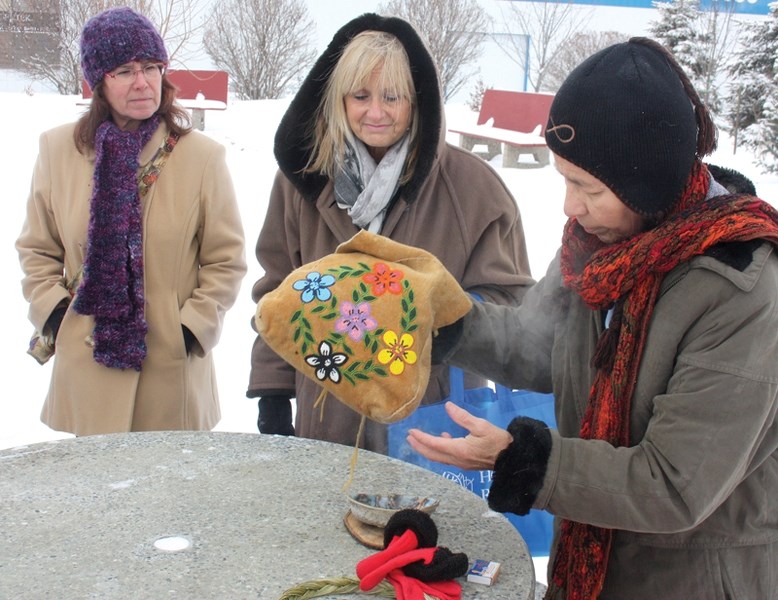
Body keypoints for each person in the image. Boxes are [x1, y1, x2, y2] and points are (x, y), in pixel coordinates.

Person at [401, 38, 778, 599]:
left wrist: (527, 464)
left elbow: (674, 483)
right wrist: (440, 319)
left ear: (645, 184)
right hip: (589, 571)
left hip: (695, 581)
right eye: (564, 180)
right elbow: (535, 347)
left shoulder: (742, 289)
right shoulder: (597, 251)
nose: (568, 207)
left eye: (588, 187)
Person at [247, 13, 533, 453]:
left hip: (430, 419)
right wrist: (272, 391)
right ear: (338, 99)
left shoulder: (474, 189)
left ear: (416, 101)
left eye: (392, 97)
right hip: (326, 413)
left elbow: (510, 301)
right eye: (360, 95)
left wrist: (433, 322)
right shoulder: (303, 180)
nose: (375, 112)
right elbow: (277, 290)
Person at [16, 7, 246, 435]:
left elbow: (226, 260)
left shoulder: (202, 157)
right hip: (87, 367)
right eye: (125, 70)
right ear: (99, 82)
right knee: (94, 498)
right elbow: (37, 249)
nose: (143, 82)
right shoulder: (57, 150)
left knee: (170, 499)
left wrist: (192, 329)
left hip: (170, 373)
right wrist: (54, 312)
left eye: (151, 67)